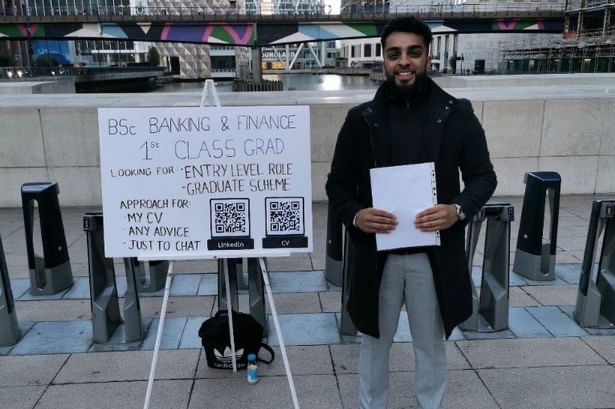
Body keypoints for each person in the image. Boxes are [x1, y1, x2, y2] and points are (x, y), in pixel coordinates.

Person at [325, 16, 497, 409]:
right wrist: (357, 215)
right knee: (373, 345)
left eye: (413, 52)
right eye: (394, 54)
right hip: (377, 254)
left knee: (430, 346)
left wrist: (457, 210)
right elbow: (337, 185)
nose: (404, 61)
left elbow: (483, 177)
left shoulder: (457, 113)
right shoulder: (359, 119)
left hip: (432, 255)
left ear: (427, 57)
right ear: (384, 60)